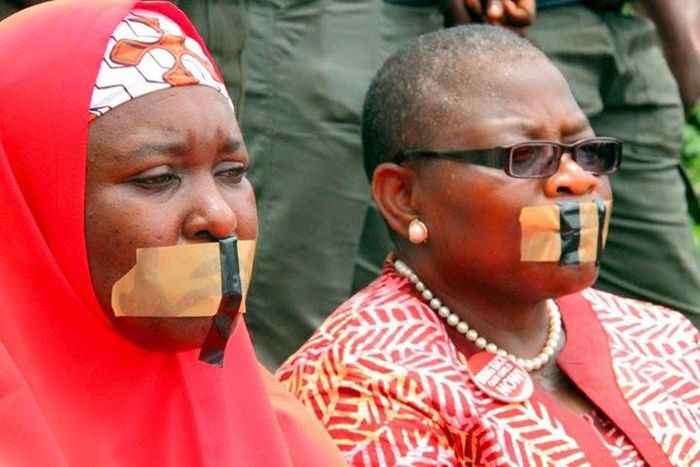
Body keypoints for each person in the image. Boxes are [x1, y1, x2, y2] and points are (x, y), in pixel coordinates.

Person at [277, 26, 700, 465]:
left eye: (588, 152)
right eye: (527, 157)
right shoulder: (365, 382)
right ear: (403, 197)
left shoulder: (661, 336)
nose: (577, 180)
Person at [0, 1, 345, 465]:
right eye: (157, 178)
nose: (220, 218)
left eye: (231, 172)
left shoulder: (277, 427)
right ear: (29, 205)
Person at [437, 0, 700, 327]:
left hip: (628, 28)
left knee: (672, 319)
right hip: (530, 28)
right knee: (535, 286)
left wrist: (676, 34)